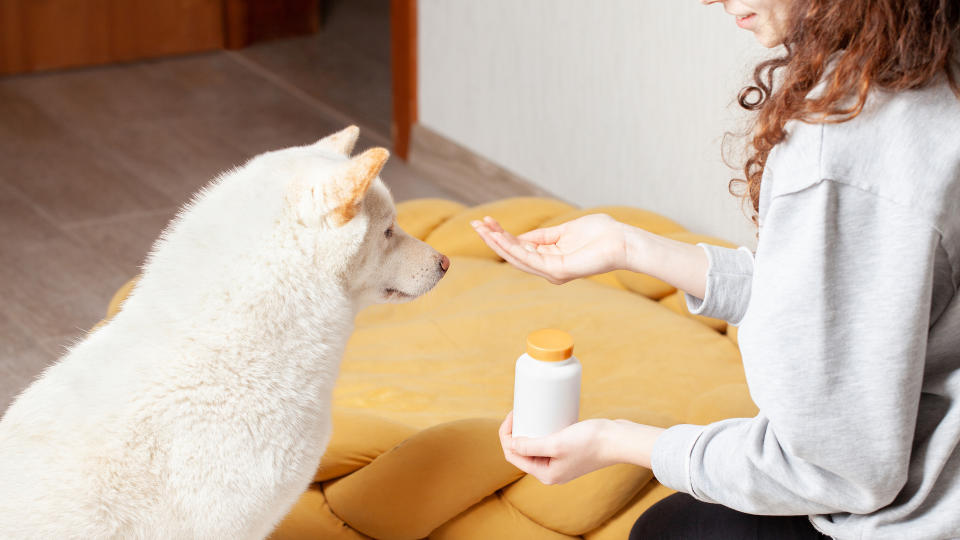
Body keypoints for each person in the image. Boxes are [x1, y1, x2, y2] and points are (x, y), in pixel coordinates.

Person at [471, 0, 960, 538]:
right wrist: (630, 248)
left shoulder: (845, 145)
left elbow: (834, 472)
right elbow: (850, 301)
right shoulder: (933, 64)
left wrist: (618, 442)